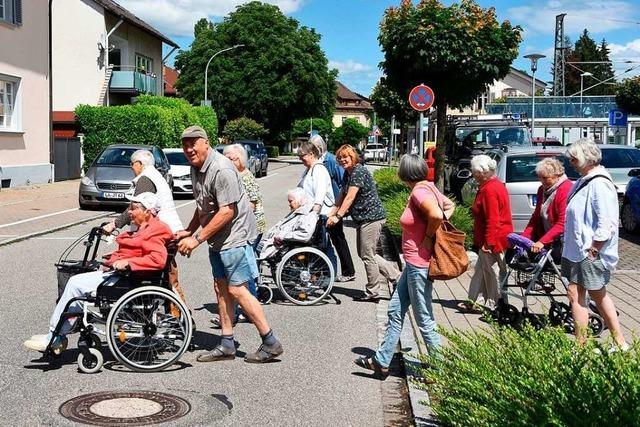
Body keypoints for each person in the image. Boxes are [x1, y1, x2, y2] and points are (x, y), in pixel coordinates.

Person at [176, 125, 283, 363]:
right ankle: (227, 343)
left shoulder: (221, 169)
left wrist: (196, 239)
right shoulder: (197, 167)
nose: (189, 148)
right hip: (217, 238)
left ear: (206, 143)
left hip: (235, 235)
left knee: (237, 289)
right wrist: (188, 229)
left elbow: (227, 211)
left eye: (193, 143)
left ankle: (270, 342)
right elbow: (204, 205)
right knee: (221, 287)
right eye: (185, 144)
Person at [24, 193, 172, 351]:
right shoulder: (146, 227)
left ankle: (55, 336)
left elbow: (158, 260)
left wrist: (128, 262)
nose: (129, 211)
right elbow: (137, 250)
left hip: (129, 278)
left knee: (75, 284)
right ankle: (58, 334)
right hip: (123, 274)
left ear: (147, 211)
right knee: (79, 279)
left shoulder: (155, 230)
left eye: (133, 208)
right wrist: (110, 259)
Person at [354, 154, 455, 378]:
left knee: (424, 318)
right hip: (412, 264)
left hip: (419, 265)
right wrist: (434, 227)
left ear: (404, 173)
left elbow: (437, 214)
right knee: (395, 310)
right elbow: (450, 206)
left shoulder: (420, 192)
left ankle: (440, 370)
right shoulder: (428, 187)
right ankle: (382, 361)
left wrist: (430, 235)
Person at [101, 149, 187, 309]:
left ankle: (182, 317)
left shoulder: (146, 179)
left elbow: (136, 208)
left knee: (167, 278)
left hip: (161, 232)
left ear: (140, 164)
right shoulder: (155, 176)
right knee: (165, 277)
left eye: (132, 164)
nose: (131, 168)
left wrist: (115, 224)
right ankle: (175, 316)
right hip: (165, 231)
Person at [563, 138, 628, 350]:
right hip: (577, 250)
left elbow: (607, 221)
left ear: (586, 158)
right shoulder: (584, 180)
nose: (570, 162)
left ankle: (604, 343)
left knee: (587, 295)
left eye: (574, 158)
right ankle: (603, 343)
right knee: (587, 295)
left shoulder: (599, 183)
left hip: (588, 252)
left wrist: (594, 249)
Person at [328, 144, 400, 302]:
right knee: (366, 254)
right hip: (364, 219)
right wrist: (331, 213)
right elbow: (341, 195)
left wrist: (338, 216)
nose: (342, 160)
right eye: (339, 158)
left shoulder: (358, 171)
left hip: (372, 218)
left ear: (352, 157)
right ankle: (396, 277)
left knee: (367, 255)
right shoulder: (349, 173)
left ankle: (373, 291)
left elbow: (350, 197)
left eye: (345, 157)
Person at [458, 154, 513, 313]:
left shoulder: (490, 189)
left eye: (475, 172)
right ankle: (474, 301)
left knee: (492, 272)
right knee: (481, 271)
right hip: (490, 238)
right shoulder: (492, 185)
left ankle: (496, 304)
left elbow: (493, 219)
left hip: (493, 239)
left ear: (483, 172)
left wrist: (489, 242)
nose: (474, 175)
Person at [309, 135, 356, 282]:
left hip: (333, 207)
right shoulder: (322, 160)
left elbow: (343, 182)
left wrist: (339, 208)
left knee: (337, 239)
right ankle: (329, 270)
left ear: (319, 148)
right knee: (330, 239)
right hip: (330, 206)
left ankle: (348, 271)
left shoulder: (329, 160)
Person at [297, 141, 337, 267]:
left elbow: (320, 194)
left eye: (302, 156)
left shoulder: (319, 169)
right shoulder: (309, 169)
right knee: (320, 244)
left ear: (311, 154)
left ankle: (329, 272)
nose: (300, 159)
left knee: (323, 245)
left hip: (321, 214)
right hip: (312, 213)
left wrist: (314, 213)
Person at [521, 157, 572, 255]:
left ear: (557, 175)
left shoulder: (565, 189)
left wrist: (542, 242)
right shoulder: (542, 189)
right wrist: (524, 237)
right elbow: (536, 218)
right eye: (539, 177)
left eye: (545, 178)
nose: (541, 181)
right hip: (546, 236)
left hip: (561, 241)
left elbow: (563, 222)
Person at [257, 188, 318, 260]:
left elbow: (305, 235)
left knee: (252, 248)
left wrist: (282, 236)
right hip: (278, 241)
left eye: (291, 201)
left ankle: (253, 269)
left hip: (283, 246)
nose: (288, 204)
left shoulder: (308, 215)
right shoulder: (298, 211)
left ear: (300, 200)